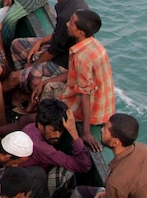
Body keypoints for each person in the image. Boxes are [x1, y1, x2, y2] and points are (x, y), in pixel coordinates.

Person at [34, 10, 115, 152]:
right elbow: (74, 75)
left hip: (93, 109)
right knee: (49, 86)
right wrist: (44, 82)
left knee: (39, 116)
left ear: (81, 33)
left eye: (71, 23)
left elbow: (86, 96)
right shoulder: (95, 45)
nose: (67, 24)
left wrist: (86, 132)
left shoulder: (82, 57)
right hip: (104, 104)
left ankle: (45, 135)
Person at [5, 0, 87, 97]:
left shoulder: (67, 16)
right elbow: (59, 35)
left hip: (64, 60)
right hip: (59, 46)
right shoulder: (73, 0)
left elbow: (55, 49)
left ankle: (18, 82)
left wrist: (33, 65)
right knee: (17, 45)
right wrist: (41, 41)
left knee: (14, 76)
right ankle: (24, 84)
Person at [19, 99, 91, 197]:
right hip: (30, 187)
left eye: (60, 130)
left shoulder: (30, 127)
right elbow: (84, 166)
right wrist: (74, 132)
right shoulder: (43, 148)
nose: (57, 135)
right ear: (41, 125)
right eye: (53, 130)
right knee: (66, 172)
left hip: (24, 178)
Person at [72, 113, 147, 198]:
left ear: (115, 142)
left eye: (106, 130)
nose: (102, 130)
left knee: (79, 192)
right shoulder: (143, 148)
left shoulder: (115, 183)